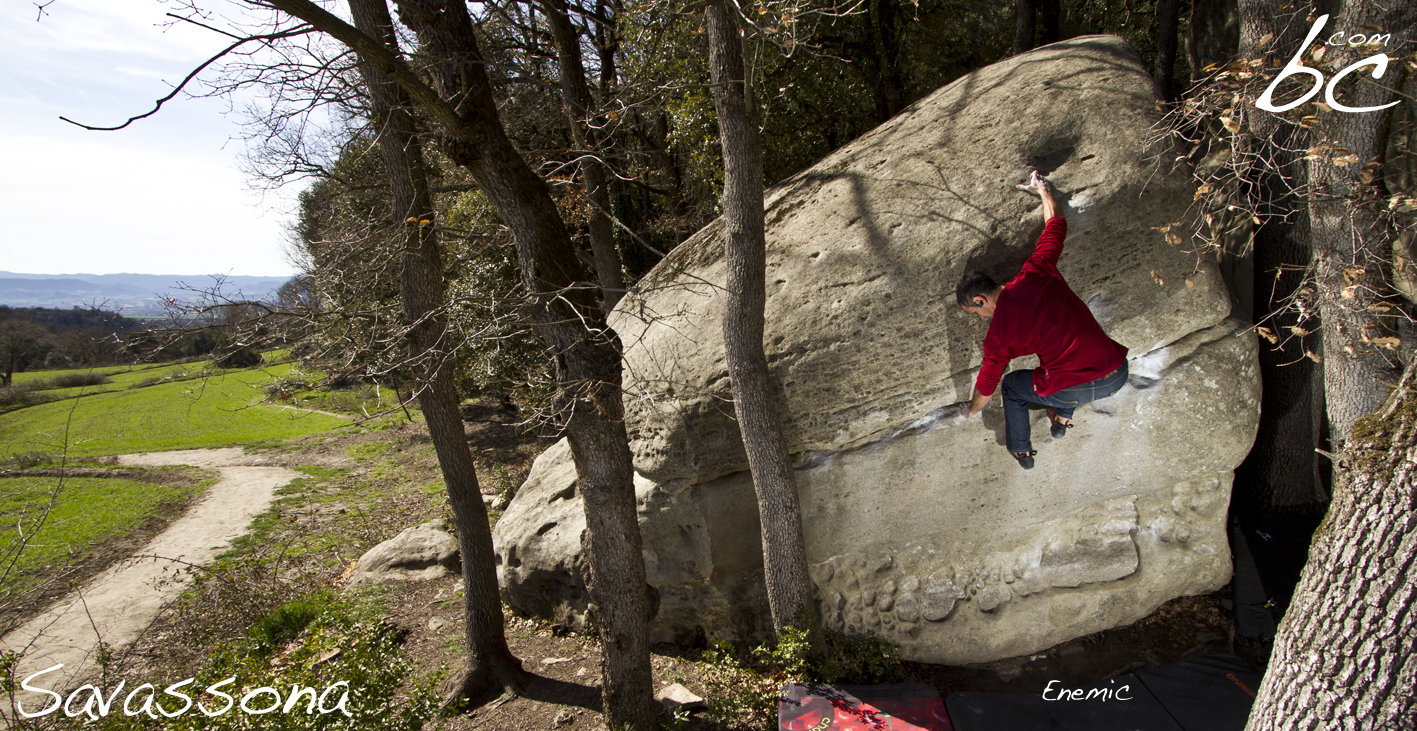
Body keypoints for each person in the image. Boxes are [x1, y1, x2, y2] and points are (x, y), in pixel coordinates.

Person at [956, 171, 1129, 469]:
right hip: (1117, 373)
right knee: (1057, 367)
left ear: (980, 300)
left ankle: (1022, 450)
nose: (981, 318)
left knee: (1012, 385)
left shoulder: (999, 335)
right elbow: (1056, 226)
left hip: (1076, 388)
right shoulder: (1037, 270)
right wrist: (1044, 191)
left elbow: (988, 384)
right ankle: (1061, 418)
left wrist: (972, 411)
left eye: (976, 313)